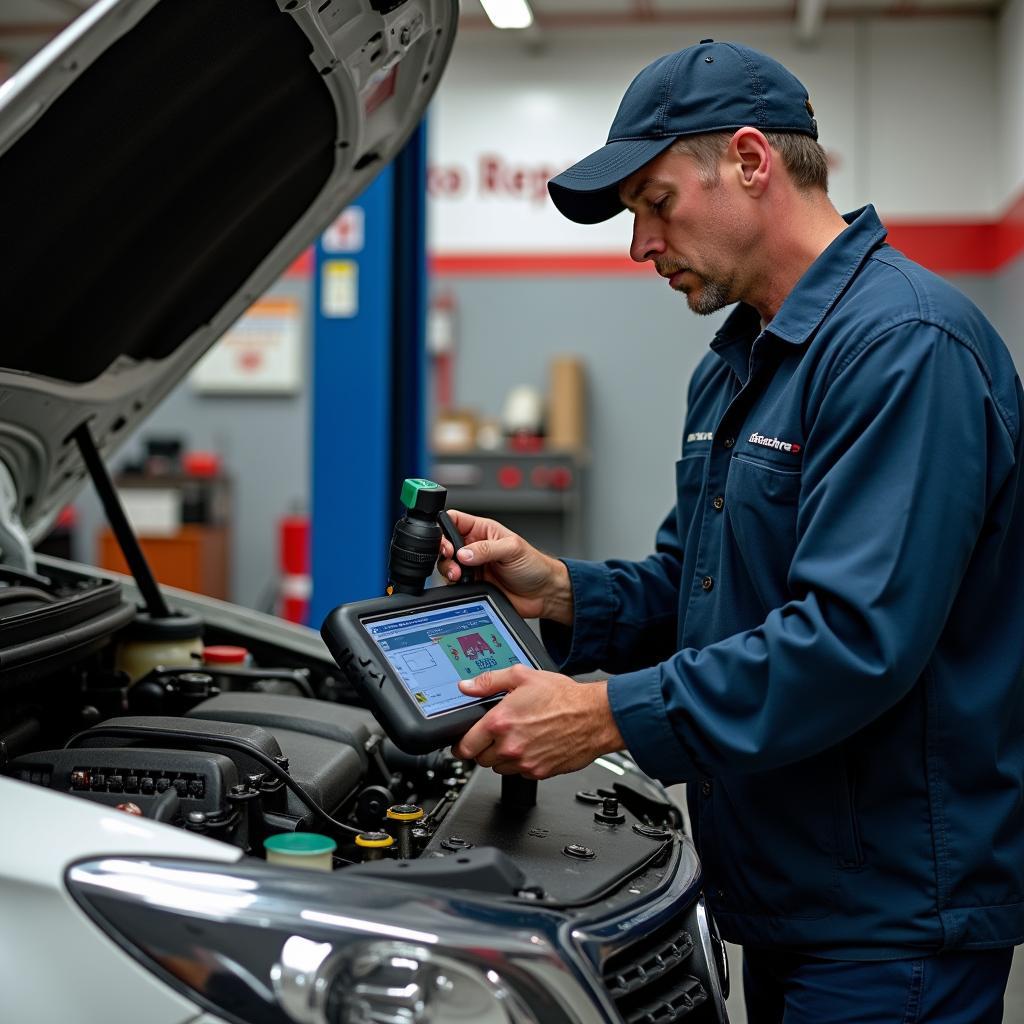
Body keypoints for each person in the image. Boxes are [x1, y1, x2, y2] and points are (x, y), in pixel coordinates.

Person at [437, 40, 1024, 1022]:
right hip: (781, 890)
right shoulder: (738, 363)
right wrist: (562, 589)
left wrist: (604, 714)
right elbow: (699, 586)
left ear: (750, 161)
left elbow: (849, 640)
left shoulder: (902, 350)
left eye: (654, 203)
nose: (640, 247)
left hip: (890, 917)